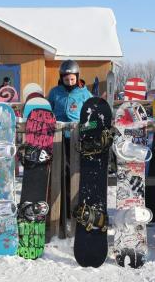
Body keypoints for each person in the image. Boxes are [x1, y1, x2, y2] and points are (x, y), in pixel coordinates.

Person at [47, 60, 92, 222]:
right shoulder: (55, 92)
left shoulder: (84, 93)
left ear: (78, 77)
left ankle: (77, 205)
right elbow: (47, 111)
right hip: (58, 137)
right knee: (60, 172)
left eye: (72, 79)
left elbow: (92, 116)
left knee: (75, 172)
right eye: (66, 80)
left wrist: (87, 127)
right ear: (61, 78)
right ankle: (61, 208)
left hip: (76, 137)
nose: (70, 82)